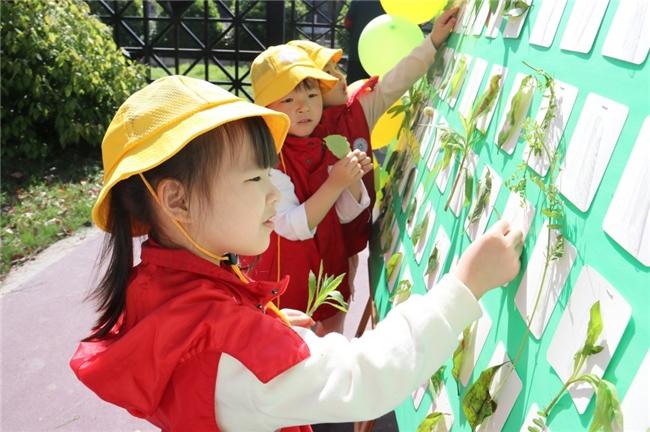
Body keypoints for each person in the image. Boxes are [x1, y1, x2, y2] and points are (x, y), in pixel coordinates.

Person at [70, 75, 524, 431]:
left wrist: (260, 330)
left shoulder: (159, 282)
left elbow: (207, 360)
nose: (274, 193)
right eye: (254, 180)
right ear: (175, 201)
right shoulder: (231, 347)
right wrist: (466, 285)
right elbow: (360, 379)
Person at [250, 7, 460, 333]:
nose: (339, 76)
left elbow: (343, 212)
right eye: (327, 71)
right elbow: (293, 223)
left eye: (310, 91)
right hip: (287, 277)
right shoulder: (272, 152)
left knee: (331, 333)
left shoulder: (341, 116)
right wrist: (338, 182)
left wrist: (351, 184)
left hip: (336, 257)